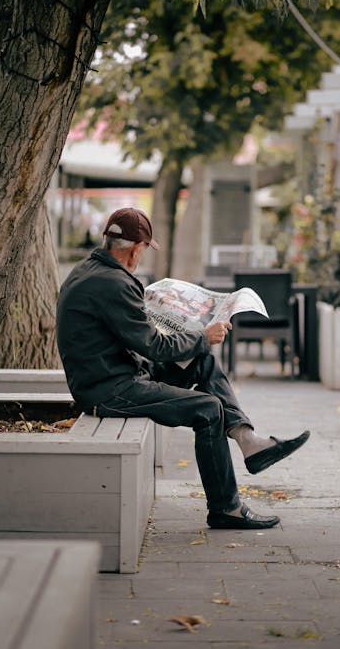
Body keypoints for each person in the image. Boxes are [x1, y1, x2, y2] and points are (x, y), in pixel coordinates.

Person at [56, 207, 310, 529]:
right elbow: (155, 346)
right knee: (208, 408)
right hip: (108, 390)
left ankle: (249, 441)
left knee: (200, 361)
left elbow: (135, 336)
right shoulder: (114, 284)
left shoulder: (88, 270)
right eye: (145, 250)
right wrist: (202, 335)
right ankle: (225, 509)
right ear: (136, 249)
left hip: (115, 373)